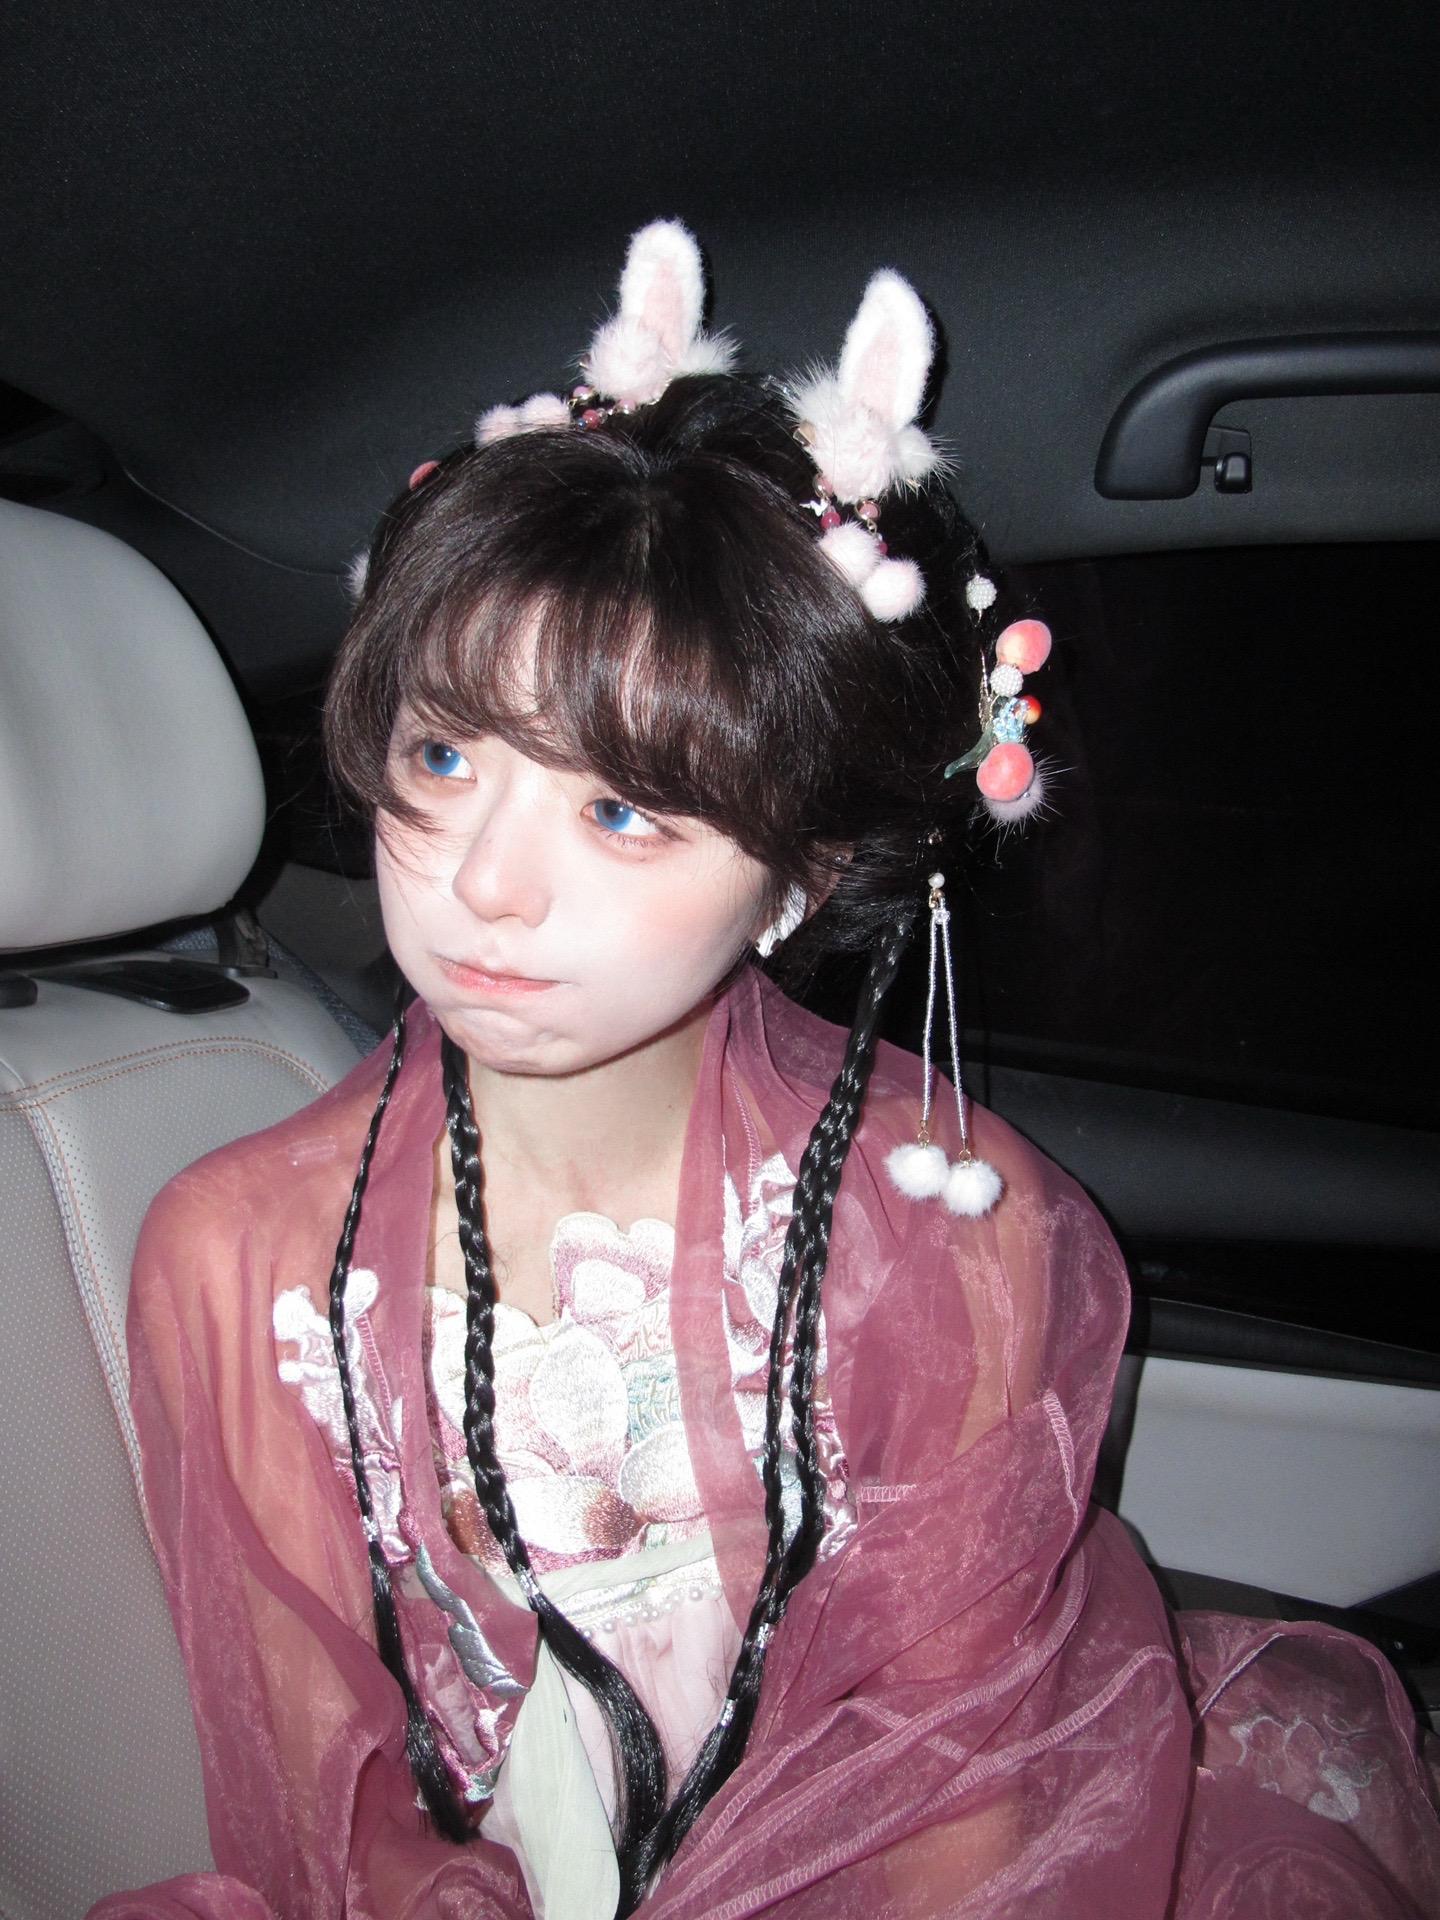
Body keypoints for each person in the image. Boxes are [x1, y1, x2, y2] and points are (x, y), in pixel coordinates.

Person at [91, 221, 1438, 1920]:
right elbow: (316, 1792)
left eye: (619, 807)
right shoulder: (237, 1256)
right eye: (441, 754)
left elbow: (960, 1800)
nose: (483, 880)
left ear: (801, 874)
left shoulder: (942, 1233)